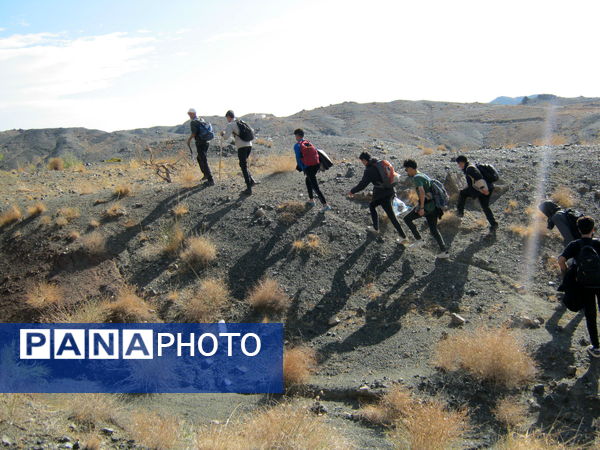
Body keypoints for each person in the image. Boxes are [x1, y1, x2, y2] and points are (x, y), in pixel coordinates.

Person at [558, 216, 600, 358]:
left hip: (584, 284)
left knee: (590, 315)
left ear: (578, 229)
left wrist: (566, 274)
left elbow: (561, 260)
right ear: (593, 229)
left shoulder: (575, 244)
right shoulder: (598, 244)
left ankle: (596, 347)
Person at [347, 152, 408, 244]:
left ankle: (403, 237)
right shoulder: (379, 163)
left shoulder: (369, 170)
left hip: (382, 195)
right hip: (391, 190)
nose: (362, 163)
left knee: (391, 215)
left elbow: (363, 184)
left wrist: (352, 191)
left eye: (362, 161)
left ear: (364, 160)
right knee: (372, 205)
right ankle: (376, 228)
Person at [402, 159, 449, 258]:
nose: (406, 172)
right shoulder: (423, 175)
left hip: (427, 207)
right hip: (434, 207)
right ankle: (444, 251)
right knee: (433, 229)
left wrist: (422, 208)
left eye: (406, 169)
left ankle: (419, 240)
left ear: (410, 168)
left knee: (407, 219)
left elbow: (422, 192)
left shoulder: (417, 177)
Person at [455, 155, 497, 232]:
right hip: (488, 187)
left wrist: (484, 189)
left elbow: (479, 178)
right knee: (485, 206)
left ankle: (460, 212)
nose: (458, 165)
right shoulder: (471, 166)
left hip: (482, 189)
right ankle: (493, 224)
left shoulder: (469, 169)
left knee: (462, 193)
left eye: (458, 163)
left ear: (461, 162)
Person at [293, 129, 331, 212]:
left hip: (308, 167)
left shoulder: (297, 146)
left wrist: (302, 168)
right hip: (316, 165)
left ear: (297, 136)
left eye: (295, 135)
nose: (295, 137)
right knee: (308, 180)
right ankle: (311, 200)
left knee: (315, 186)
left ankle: (325, 205)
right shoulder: (308, 142)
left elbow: (298, 159)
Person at [221, 110, 256, 195]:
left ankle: (249, 188)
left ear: (229, 117)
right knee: (243, 164)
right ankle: (251, 181)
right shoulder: (241, 122)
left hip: (241, 146)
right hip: (249, 145)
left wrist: (222, 134)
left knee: (243, 166)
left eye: (227, 118)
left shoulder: (231, 124)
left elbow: (226, 137)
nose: (227, 119)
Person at [186, 108, 214, 186]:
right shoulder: (201, 119)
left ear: (194, 113)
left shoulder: (193, 122)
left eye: (190, 114)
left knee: (203, 159)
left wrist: (189, 140)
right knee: (200, 158)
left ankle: (210, 179)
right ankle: (205, 175)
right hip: (206, 142)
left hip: (200, 142)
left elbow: (194, 133)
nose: (189, 115)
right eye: (189, 114)